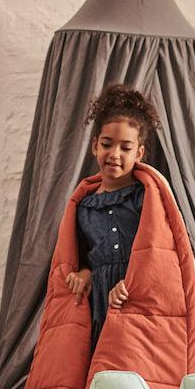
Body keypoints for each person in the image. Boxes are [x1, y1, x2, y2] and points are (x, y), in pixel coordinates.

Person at [63, 84, 161, 348]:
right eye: (107, 144)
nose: (114, 154)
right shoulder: (84, 206)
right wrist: (84, 274)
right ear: (95, 145)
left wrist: (132, 283)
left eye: (125, 147)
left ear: (139, 153)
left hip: (137, 295)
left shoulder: (145, 198)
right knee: (103, 360)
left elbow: (159, 252)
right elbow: (84, 256)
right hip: (101, 302)